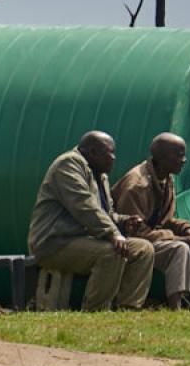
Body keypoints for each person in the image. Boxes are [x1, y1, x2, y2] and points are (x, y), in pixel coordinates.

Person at [27, 132, 156, 311]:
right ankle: (96, 311)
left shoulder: (100, 175)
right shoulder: (68, 165)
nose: (114, 158)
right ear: (92, 152)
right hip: (54, 242)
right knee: (112, 252)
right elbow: (84, 206)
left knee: (143, 249)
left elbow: (106, 213)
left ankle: (129, 308)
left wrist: (123, 221)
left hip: (84, 239)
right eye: (109, 153)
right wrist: (114, 233)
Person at [114, 133, 190, 309]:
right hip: (131, 242)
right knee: (180, 248)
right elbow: (135, 230)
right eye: (179, 155)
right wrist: (178, 239)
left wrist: (187, 229)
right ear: (161, 156)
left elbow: (166, 219)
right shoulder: (137, 185)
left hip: (155, 240)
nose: (184, 160)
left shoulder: (166, 178)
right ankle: (175, 305)